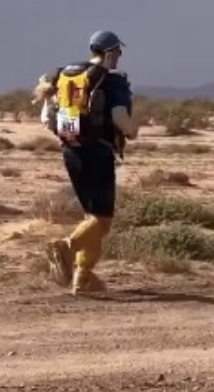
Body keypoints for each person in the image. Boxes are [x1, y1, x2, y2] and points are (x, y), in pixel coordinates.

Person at [33, 30, 137, 295]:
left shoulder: (64, 75)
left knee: (92, 218)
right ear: (111, 53)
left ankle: (84, 279)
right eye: (118, 53)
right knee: (102, 222)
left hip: (71, 152)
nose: (120, 58)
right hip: (98, 154)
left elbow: (47, 118)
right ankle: (66, 248)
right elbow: (118, 116)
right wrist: (131, 130)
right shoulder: (111, 82)